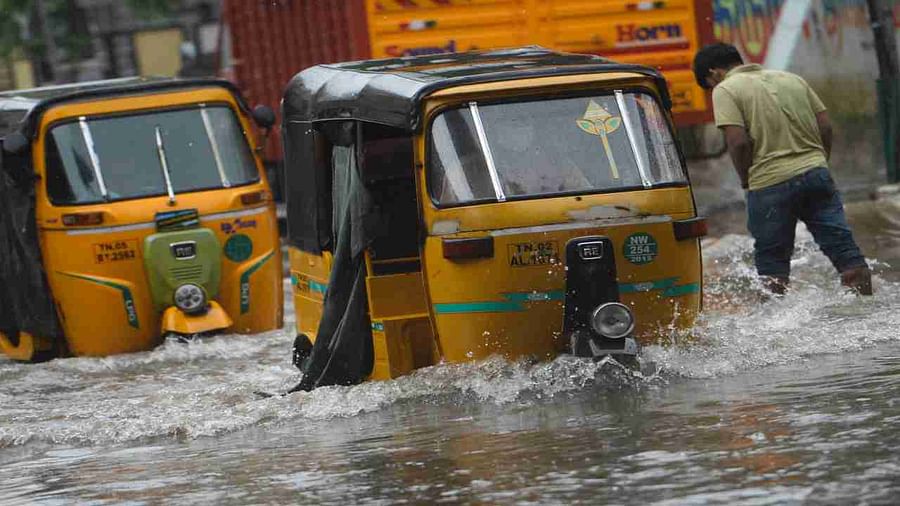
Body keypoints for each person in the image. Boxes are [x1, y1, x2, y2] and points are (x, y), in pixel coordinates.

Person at [692, 43, 873, 295]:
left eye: (710, 84)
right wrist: (819, 162)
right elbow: (826, 127)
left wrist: (746, 180)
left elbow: (738, 142)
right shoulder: (792, 79)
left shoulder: (725, 90)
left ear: (714, 74)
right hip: (816, 174)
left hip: (768, 184)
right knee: (847, 255)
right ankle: (864, 303)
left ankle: (775, 327)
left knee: (772, 270)